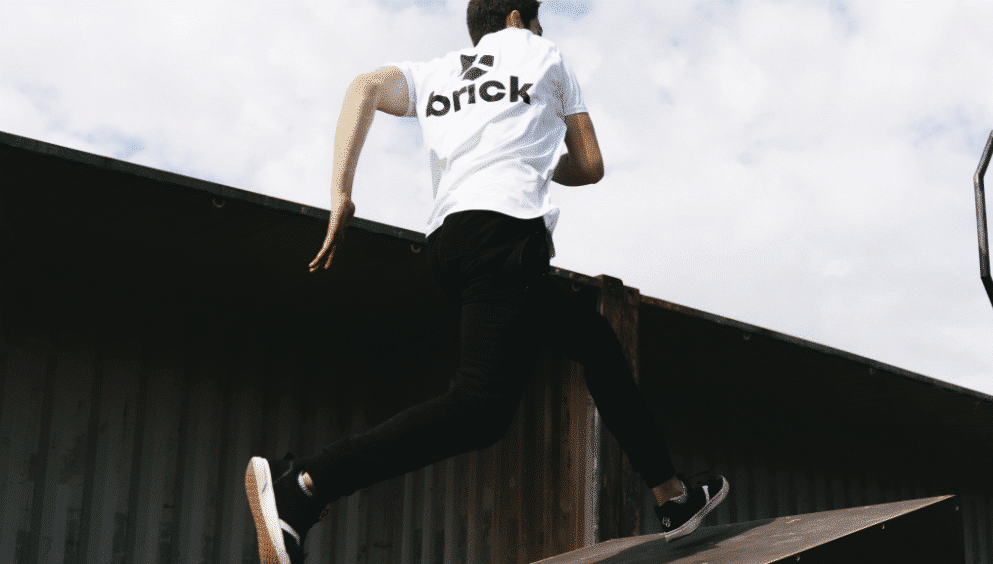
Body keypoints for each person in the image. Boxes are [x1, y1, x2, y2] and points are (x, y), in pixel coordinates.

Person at [243, 2, 728, 563]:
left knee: (591, 341)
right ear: (520, 18)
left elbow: (365, 87)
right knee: (477, 408)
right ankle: (305, 485)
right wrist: (537, 156)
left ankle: (671, 496)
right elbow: (591, 164)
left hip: (452, 246)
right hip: (504, 239)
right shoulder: (544, 54)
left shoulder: (441, 71)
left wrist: (341, 191)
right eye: (539, 20)